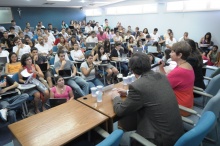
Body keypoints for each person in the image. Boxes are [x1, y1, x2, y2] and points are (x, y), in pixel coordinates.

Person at [111, 53, 184, 146]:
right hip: (176, 133)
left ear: (132, 70)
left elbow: (120, 111)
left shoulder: (137, 86)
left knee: (120, 136)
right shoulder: (162, 76)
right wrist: (127, 93)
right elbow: (151, 92)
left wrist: (115, 97)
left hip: (159, 140)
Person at [159, 41, 194, 116]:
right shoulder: (186, 65)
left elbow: (162, 87)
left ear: (179, 55)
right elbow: (168, 80)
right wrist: (161, 68)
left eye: (172, 52)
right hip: (187, 104)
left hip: (181, 108)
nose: (170, 54)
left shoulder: (179, 71)